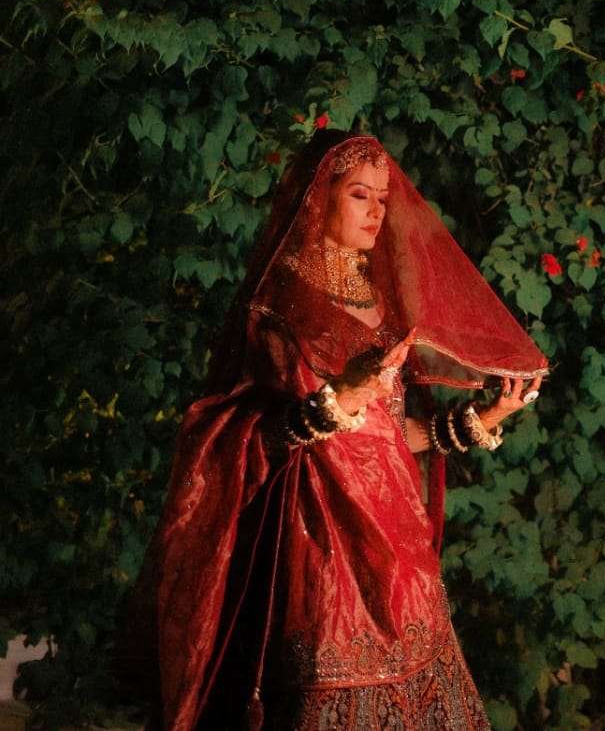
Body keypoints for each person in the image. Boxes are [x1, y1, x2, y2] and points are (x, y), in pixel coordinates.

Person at [125, 132, 549, 729]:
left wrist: (484, 418)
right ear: (317, 198)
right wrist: (335, 401)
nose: (377, 211)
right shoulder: (279, 310)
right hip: (323, 547)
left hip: (401, 554)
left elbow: (388, 438)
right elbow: (248, 440)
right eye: (358, 194)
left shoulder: (382, 305)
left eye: (382, 197)